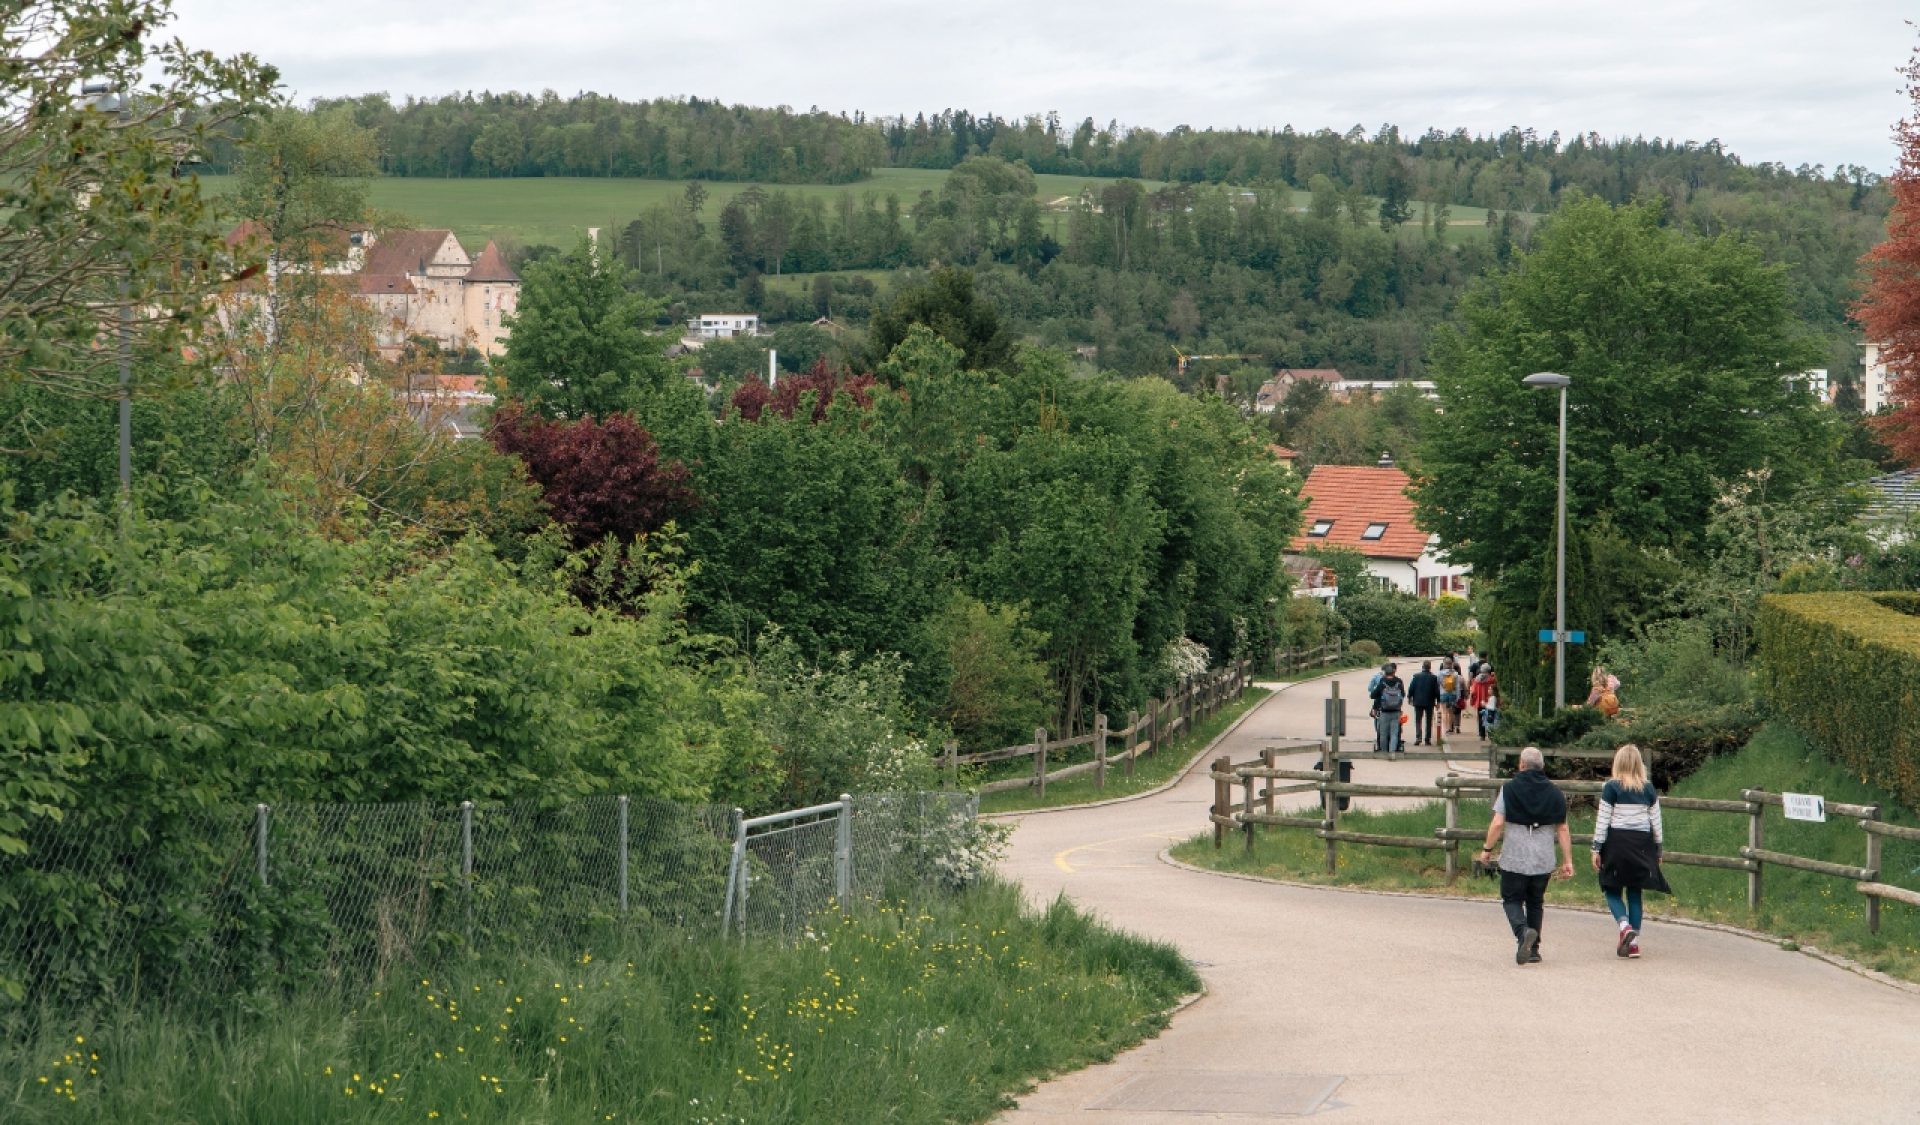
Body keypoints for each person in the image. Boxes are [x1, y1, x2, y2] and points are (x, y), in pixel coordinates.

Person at [1478, 747, 1574, 965]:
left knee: (1511, 899)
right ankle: (1534, 950)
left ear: (1521, 765)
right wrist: (1568, 860)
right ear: (1543, 766)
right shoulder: (1555, 793)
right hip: (1543, 857)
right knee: (1535, 902)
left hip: (1515, 854)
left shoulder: (1509, 789)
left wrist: (1487, 849)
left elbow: (1498, 822)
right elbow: (1563, 829)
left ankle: (1523, 933)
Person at [1591, 743, 1671, 959]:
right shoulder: (1648, 788)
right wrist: (1658, 849)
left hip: (1617, 842)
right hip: (1642, 844)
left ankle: (1624, 926)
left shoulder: (1612, 787)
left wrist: (1596, 848)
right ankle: (1633, 943)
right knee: (1635, 892)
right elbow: (1656, 821)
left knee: (1611, 888)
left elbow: (1603, 820)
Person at [1369, 662, 1405, 754]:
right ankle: (1392, 752)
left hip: (1384, 711)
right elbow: (1403, 695)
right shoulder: (1399, 682)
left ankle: (1384, 752)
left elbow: (1373, 695)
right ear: (1393, 672)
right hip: (1396, 711)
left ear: (1385, 672)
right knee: (1394, 733)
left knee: (1383, 733)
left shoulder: (1382, 682)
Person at [1407, 660, 1440, 746]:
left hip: (1418, 702)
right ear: (1430, 667)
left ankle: (1418, 738)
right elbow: (1437, 691)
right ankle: (1427, 739)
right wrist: (1438, 702)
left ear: (1422, 667)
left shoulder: (1416, 677)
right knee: (1429, 721)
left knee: (1418, 720)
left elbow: (1411, 689)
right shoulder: (1433, 678)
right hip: (1429, 702)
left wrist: (1409, 697)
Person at [1467, 662, 1499, 737]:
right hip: (1489, 701)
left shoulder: (1476, 680)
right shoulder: (1491, 679)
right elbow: (1496, 687)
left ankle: (1482, 734)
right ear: (1489, 670)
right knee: (1490, 717)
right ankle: (1491, 734)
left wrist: (1472, 699)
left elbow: (1474, 691)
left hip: (1479, 701)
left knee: (1480, 716)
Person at [1438, 659, 1463, 735]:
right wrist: (1458, 697)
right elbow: (1457, 686)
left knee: (1444, 712)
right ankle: (1450, 728)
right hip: (1453, 694)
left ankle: (1445, 729)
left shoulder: (1440, 674)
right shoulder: (1455, 674)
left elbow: (1438, 685)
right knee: (1451, 712)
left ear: (1444, 664)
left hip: (1443, 694)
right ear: (1451, 664)